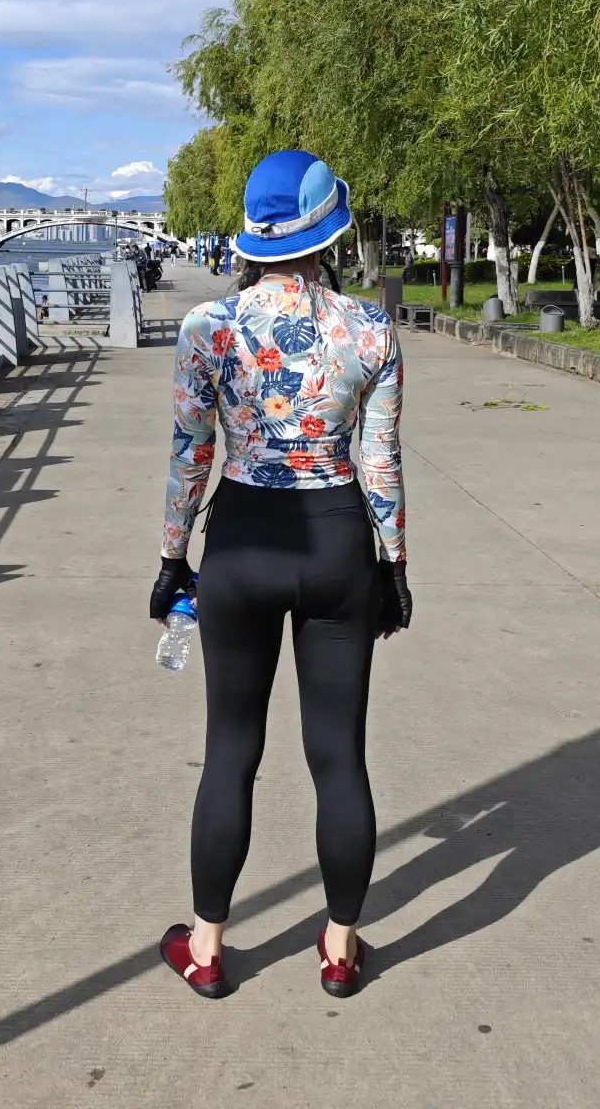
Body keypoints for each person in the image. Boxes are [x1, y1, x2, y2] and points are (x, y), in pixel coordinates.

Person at [153, 149, 410, 1001]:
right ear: (330, 231)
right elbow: (381, 461)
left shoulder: (209, 328)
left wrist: (172, 557)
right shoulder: (370, 331)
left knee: (230, 751)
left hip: (243, 541)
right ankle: (339, 948)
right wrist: (394, 565)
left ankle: (207, 949)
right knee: (339, 755)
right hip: (337, 542)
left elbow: (190, 454)